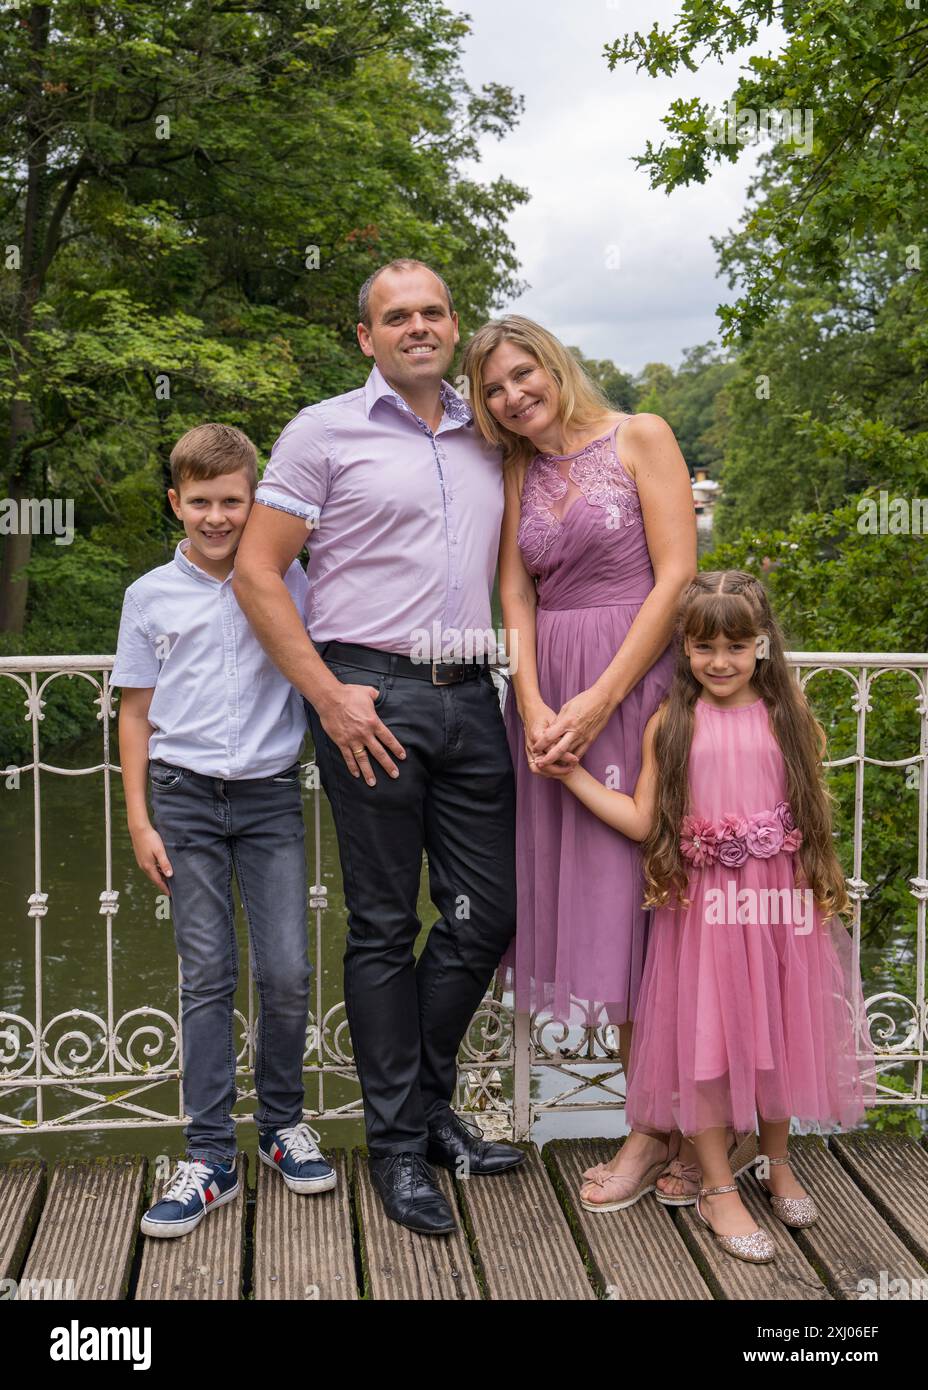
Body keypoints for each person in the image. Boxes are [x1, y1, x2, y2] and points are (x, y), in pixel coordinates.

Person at [232, 260, 525, 1238]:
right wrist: (328, 693)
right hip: (369, 692)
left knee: (487, 915)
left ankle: (425, 1102)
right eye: (395, 315)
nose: (416, 326)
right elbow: (257, 569)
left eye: (433, 311)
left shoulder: (490, 430)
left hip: (473, 691)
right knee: (380, 925)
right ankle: (398, 1149)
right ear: (366, 336)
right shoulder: (324, 429)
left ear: (454, 323)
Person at [553, 571, 877, 1261]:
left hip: (777, 908)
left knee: (780, 1029)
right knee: (707, 1046)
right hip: (702, 914)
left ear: (762, 645)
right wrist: (572, 776)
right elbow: (643, 820)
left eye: (736, 645)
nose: (721, 661)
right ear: (685, 648)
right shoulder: (673, 722)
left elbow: (811, 813)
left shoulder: (789, 716)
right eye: (705, 647)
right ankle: (718, 1187)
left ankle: (777, 1159)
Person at [461, 315, 696, 1204]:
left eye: (524, 374)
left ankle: (656, 1131)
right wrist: (529, 701)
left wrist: (600, 698)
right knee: (599, 904)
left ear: (554, 365)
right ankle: (661, 1122)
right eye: (494, 389)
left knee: (651, 905)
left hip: (635, 690)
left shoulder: (642, 435)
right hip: (549, 698)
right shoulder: (517, 468)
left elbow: (676, 574)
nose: (514, 395)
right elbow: (513, 589)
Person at [112, 422, 336, 1239]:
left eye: (232, 502)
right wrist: (139, 819)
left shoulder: (292, 582)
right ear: (176, 503)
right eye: (200, 502)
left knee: (284, 969)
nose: (216, 517)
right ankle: (209, 1154)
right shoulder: (149, 596)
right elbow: (135, 714)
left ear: (256, 503)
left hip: (271, 798)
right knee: (206, 975)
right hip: (184, 801)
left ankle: (280, 1126)